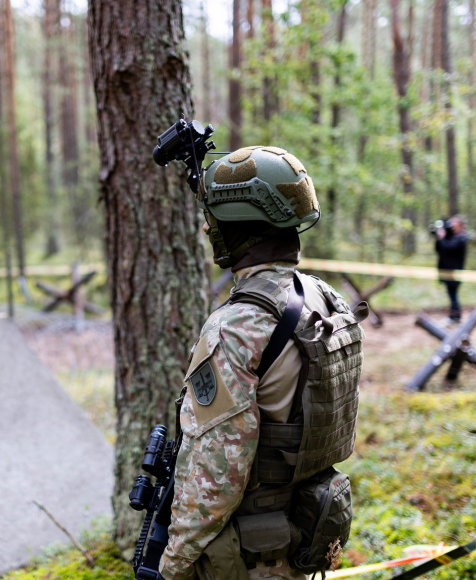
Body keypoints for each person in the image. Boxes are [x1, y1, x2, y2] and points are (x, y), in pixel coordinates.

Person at [159, 146, 365, 580]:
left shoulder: (238, 324)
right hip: (304, 528)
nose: (207, 227)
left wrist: (174, 561)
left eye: (214, 218)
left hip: (246, 549)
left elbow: (217, 469)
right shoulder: (324, 296)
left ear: (237, 224)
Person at [435, 215, 468, 323]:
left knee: (453, 295)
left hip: (455, 271)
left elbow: (449, 248)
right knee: (451, 294)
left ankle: (455, 316)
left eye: (454, 224)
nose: (452, 227)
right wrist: (439, 238)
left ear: (460, 225)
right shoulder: (452, 237)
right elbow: (439, 249)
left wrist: (442, 237)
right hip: (447, 270)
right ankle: (454, 315)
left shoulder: (461, 238)